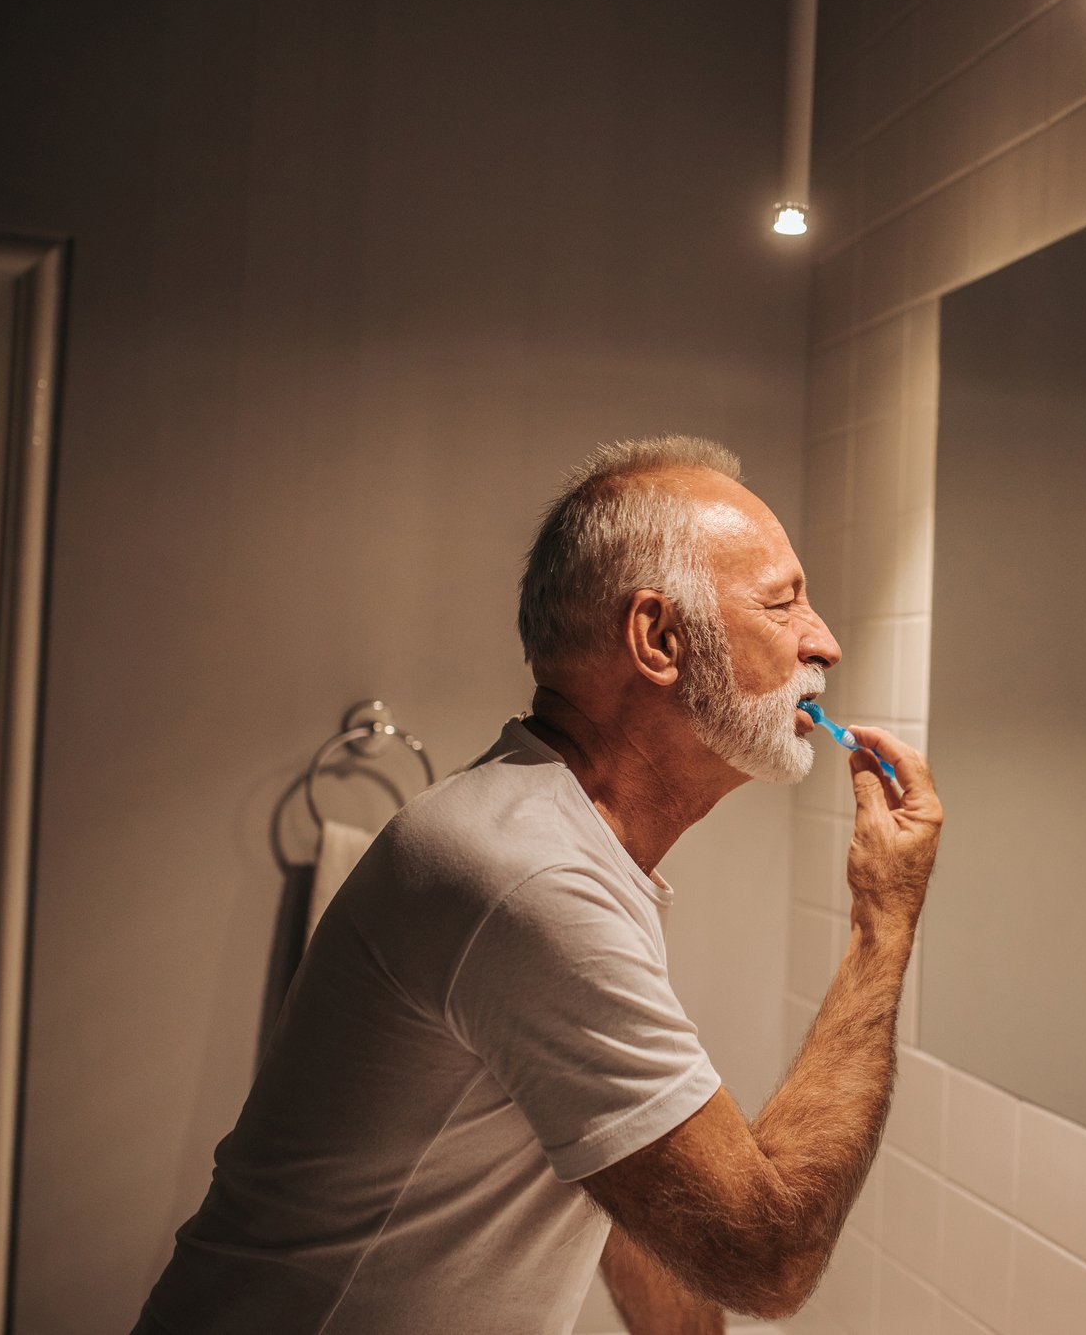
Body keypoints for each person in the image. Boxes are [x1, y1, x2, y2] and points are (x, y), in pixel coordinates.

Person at [133, 436, 942, 1334]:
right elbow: (768, 1258)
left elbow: (624, 1168)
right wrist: (883, 923)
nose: (822, 640)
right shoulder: (531, 882)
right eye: (782, 602)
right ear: (660, 639)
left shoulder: (560, 846)